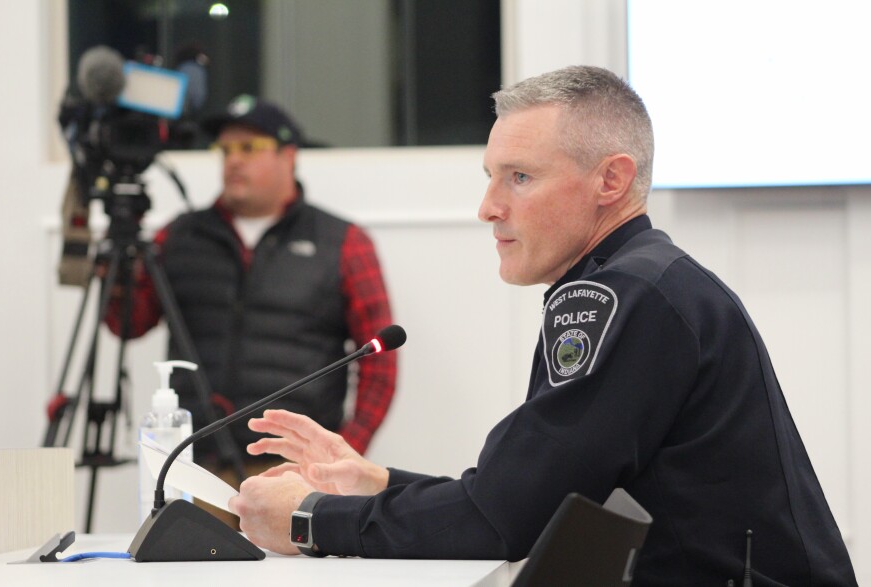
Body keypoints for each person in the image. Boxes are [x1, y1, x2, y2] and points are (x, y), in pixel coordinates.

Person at [226, 67, 856, 584]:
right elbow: (534, 497)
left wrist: (312, 519)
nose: (488, 207)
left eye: (520, 177)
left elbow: (502, 521)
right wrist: (375, 484)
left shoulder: (618, 295)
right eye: (491, 177)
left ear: (612, 180)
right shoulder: (640, 279)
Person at [105, 94, 397, 501]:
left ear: (288, 155)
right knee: (181, 566)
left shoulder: (343, 242)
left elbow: (379, 363)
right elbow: (127, 323)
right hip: (192, 467)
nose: (233, 161)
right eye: (225, 150)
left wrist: (338, 456)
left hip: (292, 471)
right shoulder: (179, 236)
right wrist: (113, 264)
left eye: (249, 148)